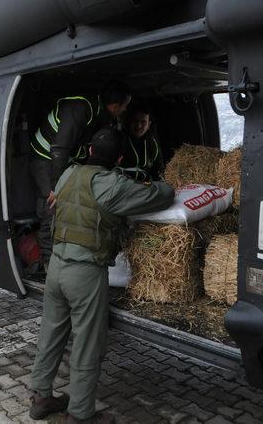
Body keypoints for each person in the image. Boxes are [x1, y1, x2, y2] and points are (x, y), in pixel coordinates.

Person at [28, 128, 175, 423]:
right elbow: (156, 197)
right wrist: (166, 186)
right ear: (119, 158)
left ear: (90, 152)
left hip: (55, 267)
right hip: (84, 273)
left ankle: (40, 397)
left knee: (51, 333)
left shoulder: (68, 174)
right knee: (87, 343)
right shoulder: (112, 185)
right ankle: (80, 414)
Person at [29, 80, 131, 271]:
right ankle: (48, 264)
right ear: (116, 105)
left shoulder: (104, 116)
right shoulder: (81, 108)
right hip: (45, 157)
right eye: (125, 106)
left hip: (66, 159)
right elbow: (60, 149)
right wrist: (55, 187)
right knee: (52, 205)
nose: (125, 111)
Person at [120, 102, 164, 182]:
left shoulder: (152, 142)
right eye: (136, 121)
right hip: (124, 186)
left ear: (148, 125)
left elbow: (158, 169)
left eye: (143, 122)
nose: (139, 126)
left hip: (144, 187)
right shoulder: (120, 139)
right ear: (130, 121)